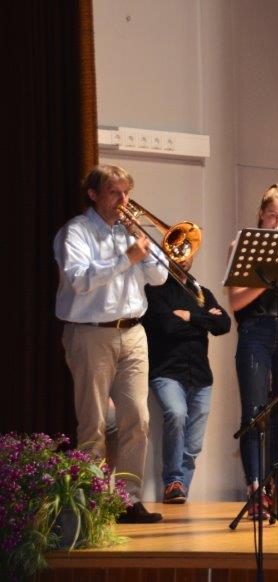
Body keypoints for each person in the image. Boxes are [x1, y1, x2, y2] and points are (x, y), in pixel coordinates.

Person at [54, 164, 168, 524]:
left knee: (138, 418)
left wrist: (146, 249)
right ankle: (91, 502)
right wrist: (125, 259)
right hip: (91, 333)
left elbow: (160, 277)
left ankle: (127, 499)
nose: (124, 200)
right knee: (94, 422)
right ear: (93, 194)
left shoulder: (128, 232)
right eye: (115, 193)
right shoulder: (76, 232)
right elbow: (79, 280)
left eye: (127, 193)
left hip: (133, 332)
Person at [228, 184, 278, 518]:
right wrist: (268, 277)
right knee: (254, 413)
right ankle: (255, 491)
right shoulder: (242, 245)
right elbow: (236, 302)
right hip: (255, 332)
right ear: (261, 215)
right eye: (273, 216)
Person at [142, 254, 230, 504]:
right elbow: (166, 327)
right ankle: (173, 481)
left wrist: (190, 317)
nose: (182, 257)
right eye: (176, 251)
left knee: (194, 444)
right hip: (166, 371)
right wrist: (205, 320)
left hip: (201, 376)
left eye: (187, 252)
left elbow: (223, 324)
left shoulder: (202, 292)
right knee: (176, 413)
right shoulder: (154, 290)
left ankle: (179, 492)